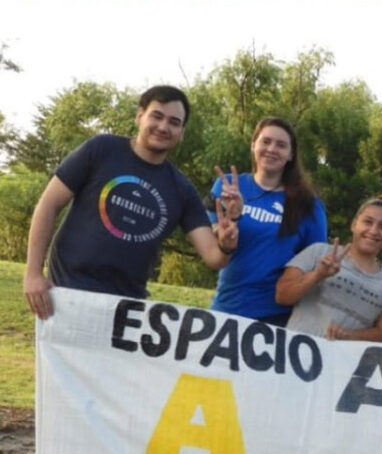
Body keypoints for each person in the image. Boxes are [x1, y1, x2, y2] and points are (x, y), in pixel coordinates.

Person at [22, 85, 237, 318]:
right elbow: (48, 204)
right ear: (139, 116)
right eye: (157, 116)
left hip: (126, 311)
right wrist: (33, 273)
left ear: (182, 132)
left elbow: (214, 257)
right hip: (64, 295)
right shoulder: (101, 149)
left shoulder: (182, 189)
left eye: (174, 122)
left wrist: (226, 242)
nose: (164, 127)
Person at [207, 117, 327, 326]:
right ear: (254, 145)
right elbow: (211, 242)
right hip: (224, 310)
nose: (272, 149)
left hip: (277, 320)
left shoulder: (309, 205)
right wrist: (228, 226)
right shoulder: (227, 186)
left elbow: (314, 262)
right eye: (266, 141)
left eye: (281, 145)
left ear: (291, 155)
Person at [275, 195, 382, 341]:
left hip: (345, 360)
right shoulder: (318, 251)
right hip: (298, 351)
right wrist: (318, 275)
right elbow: (282, 295)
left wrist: (348, 335)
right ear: (354, 225)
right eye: (368, 222)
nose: (373, 230)